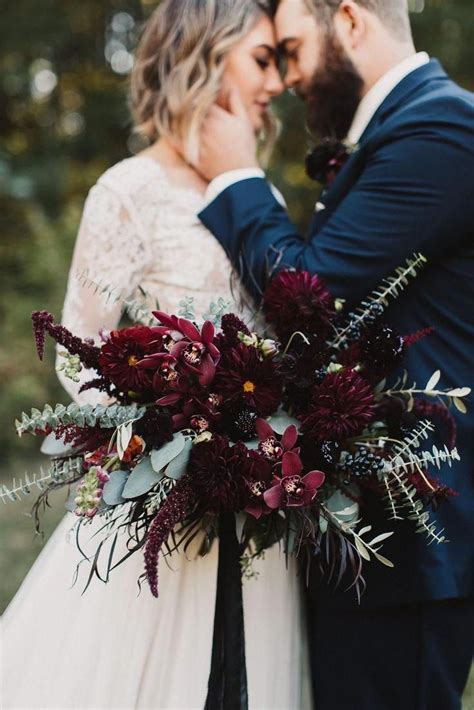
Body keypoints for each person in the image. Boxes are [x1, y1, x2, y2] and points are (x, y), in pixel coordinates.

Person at [2, 2, 313, 708]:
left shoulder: (254, 194)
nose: (277, 83)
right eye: (263, 60)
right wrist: (159, 440)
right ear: (206, 52)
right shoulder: (129, 191)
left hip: (259, 510)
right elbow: (78, 358)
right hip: (164, 513)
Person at [196, 0, 474, 708]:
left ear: (348, 19)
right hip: (365, 541)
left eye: (290, 50)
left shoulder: (440, 129)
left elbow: (308, 299)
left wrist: (236, 176)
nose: (286, 78)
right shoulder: (403, 129)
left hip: (412, 542)